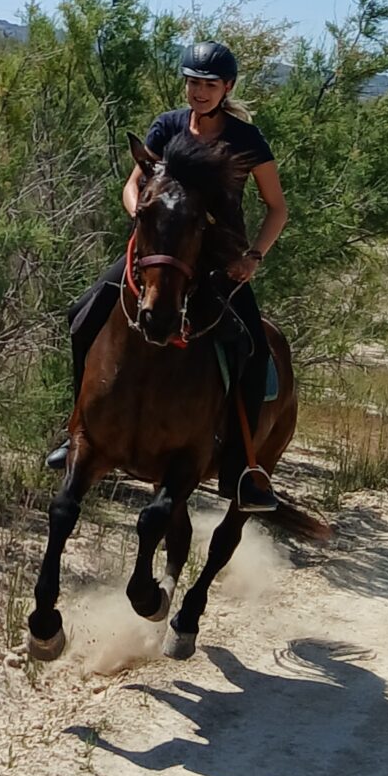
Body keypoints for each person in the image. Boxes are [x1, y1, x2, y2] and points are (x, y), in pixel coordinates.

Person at [46, 40, 288, 512]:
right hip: (159, 254)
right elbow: (134, 182)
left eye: (209, 84)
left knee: (252, 347)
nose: (198, 91)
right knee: (82, 315)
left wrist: (253, 257)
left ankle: (244, 470)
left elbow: (277, 209)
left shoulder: (246, 141)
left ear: (227, 88)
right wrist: (140, 212)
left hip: (217, 261)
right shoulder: (168, 125)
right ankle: (77, 427)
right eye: (193, 82)